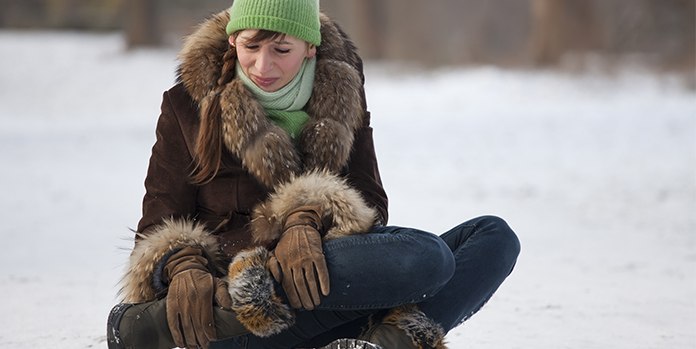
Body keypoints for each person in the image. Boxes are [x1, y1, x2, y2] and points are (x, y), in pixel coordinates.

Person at [106, 0, 521, 348]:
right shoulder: (188, 104)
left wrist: (307, 217)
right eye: (251, 46)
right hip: (249, 310)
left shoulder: (340, 92)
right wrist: (183, 267)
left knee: (493, 237)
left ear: (310, 47)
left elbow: (371, 203)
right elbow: (159, 222)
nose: (262, 65)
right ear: (233, 38)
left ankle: (379, 343)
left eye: (281, 50)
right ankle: (174, 323)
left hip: (331, 278)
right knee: (428, 259)